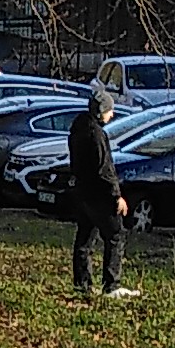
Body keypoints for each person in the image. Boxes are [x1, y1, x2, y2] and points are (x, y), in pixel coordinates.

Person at [68, 77, 138, 298]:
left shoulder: (77, 130)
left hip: (82, 192)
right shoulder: (97, 135)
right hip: (99, 195)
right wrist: (116, 195)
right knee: (115, 234)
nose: (112, 114)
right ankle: (112, 285)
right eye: (109, 110)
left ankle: (83, 284)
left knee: (84, 240)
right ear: (101, 112)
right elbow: (104, 168)